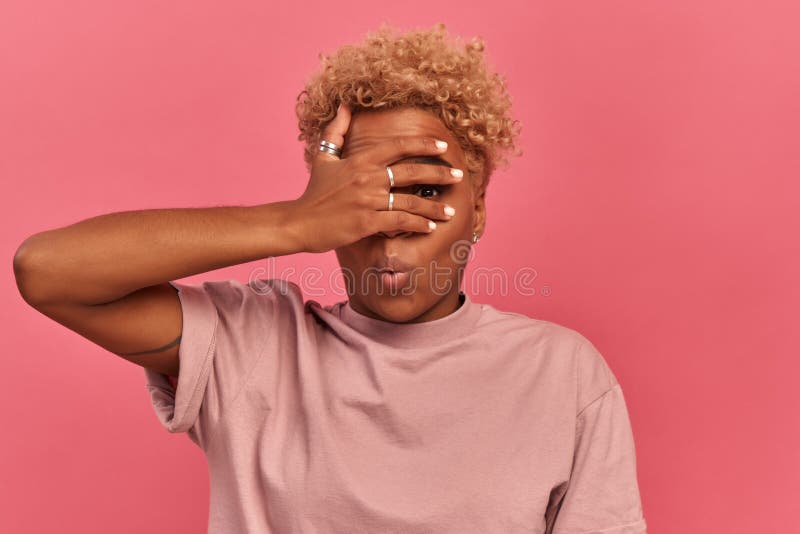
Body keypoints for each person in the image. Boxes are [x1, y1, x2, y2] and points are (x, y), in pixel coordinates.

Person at [13, 22, 646, 534]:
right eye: (362, 199)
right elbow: (48, 271)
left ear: (479, 208)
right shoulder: (256, 346)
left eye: (427, 192)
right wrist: (294, 223)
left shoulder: (563, 376)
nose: (392, 226)